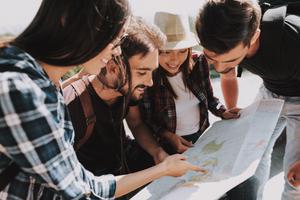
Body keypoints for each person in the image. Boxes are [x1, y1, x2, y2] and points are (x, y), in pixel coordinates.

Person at [0, 1, 204, 199]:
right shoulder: (20, 91)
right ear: (82, 28)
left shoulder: (45, 82)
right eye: (115, 40)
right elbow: (82, 190)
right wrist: (163, 169)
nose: (116, 51)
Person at [139, 11, 258, 200]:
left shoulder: (199, 62)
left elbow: (210, 98)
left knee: (246, 180)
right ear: (155, 51)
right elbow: (146, 120)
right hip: (170, 147)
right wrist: (168, 135)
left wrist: (223, 112)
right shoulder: (149, 75)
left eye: (181, 51)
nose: (174, 59)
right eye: (166, 52)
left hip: (203, 137)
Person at [195, 0, 300, 199]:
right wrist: (232, 108)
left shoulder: (292, 39)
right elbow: (227, 76)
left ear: (253, 38)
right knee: (253, 155)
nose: (218, 67)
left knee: (294, 178)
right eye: (211, 59)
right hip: (269, 93)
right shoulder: (225, 37)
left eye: (229, 60)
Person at [63, 16, 169, 179]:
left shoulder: (126, 90)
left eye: (151, 72)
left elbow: (136, 122)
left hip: (123, 169)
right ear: (113, 68)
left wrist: (157, 152)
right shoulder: (72, 106)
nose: (150, 82)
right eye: (142, 73)